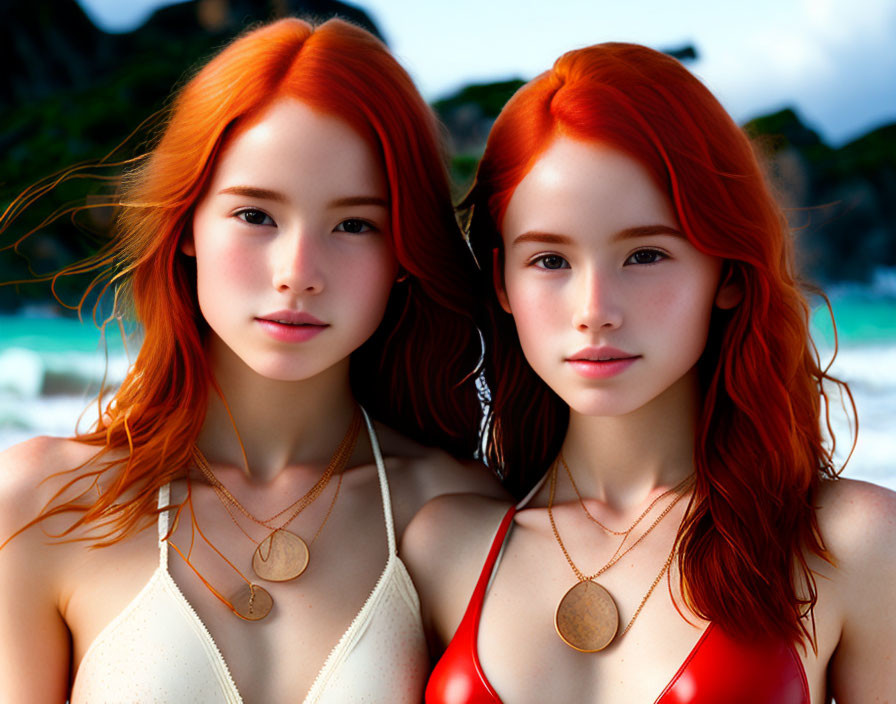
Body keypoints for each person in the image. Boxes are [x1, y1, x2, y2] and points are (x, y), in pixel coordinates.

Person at [0, 17, 503, 703]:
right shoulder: (39, 505)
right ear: (187, 227)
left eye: (355, 225)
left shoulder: (458, 513)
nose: (298, 272)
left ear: (404, 257)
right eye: (256, 216)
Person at [403, 42, 896, 703]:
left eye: (644, 255)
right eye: (550, 261)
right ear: (500, 283)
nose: (594, 311)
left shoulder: (849, 544)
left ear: (726, 270)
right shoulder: (444, 547)